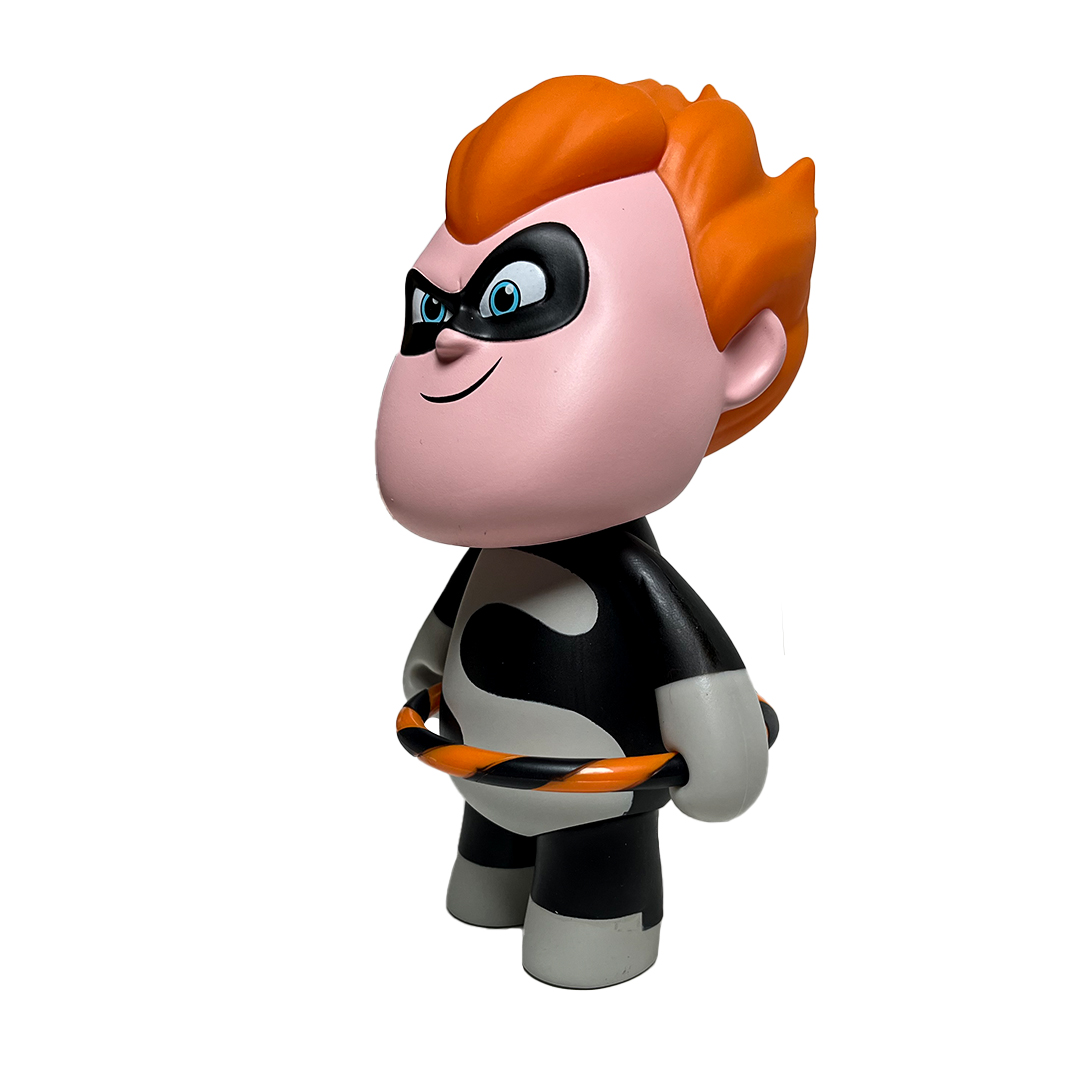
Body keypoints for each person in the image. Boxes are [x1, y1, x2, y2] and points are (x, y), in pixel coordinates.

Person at [376, 75, 816, 988]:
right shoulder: (491, 554)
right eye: (432, 309)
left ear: (738, 354)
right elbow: (454, 615)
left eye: (513, 297)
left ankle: (598, 930)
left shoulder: (633, 578)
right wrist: (427, 662)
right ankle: (494, 879)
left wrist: (724, 753)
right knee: (480, 891)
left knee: (582, 934)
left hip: (599, 807)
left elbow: (697, 671)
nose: (448, 341)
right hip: (487, 779)